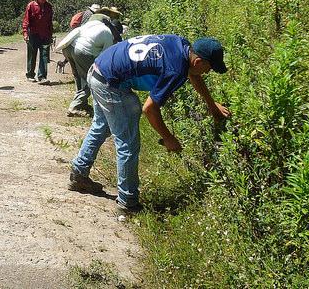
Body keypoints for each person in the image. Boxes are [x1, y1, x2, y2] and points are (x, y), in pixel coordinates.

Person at [68, 35, 231, 213]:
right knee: (127, 143)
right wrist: (168, 138)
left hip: (98, 69)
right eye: (209, 68)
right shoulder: (175, 69)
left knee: (102, 126)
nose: (208, 72)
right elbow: (150, 109)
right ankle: (127, 202)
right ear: (198, 61)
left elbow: (193, 74)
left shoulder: (182, 45)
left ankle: (79, 174)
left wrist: (212, 105)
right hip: (111, 83)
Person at [58, 13, 123, 117]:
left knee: (79, 77)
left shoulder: (93, 25)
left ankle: (82, 104)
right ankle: (75, 106)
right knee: (91, 78)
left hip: (68, 47)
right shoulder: (107, 33)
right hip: (81, 51)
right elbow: (105, 59)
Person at [22, 0, 53, 84]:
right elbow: (26, 20)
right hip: (33, 34)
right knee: (32, 55)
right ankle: (30, 75)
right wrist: (25, 33)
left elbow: (50, 22)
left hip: (45, 35)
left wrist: (50, 35)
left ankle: (42, 77)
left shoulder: (49, 7)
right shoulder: (31, 5)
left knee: (44, 56)